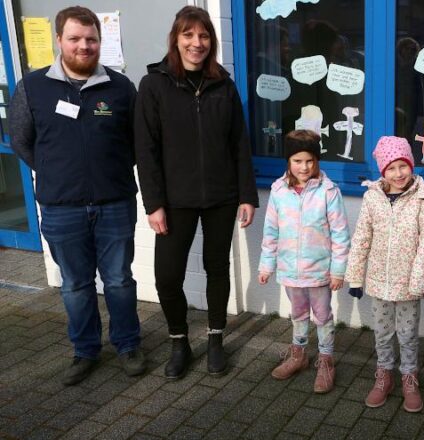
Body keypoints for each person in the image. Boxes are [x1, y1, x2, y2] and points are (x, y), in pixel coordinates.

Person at [8, 6, 144, 386]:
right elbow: (21, 140)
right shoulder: (33, 87)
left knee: (118, 279)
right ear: (59, 40)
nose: (84, 46)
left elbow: (135, 143)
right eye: (75, 38)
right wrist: (55, 170)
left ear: (100, 42)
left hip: (114, 202)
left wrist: (107, 171)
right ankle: (85, 351)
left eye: (91, 39)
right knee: (75, 284)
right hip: (60, 208)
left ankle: (128, 344)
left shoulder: (120, 87)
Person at [135, 6, 259, 380]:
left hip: (221, 196)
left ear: (211, 41)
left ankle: (217, 339)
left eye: (203, 36)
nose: (197, 43)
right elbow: (146, 149)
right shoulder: (154, 84)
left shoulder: (224, 83)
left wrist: (247, 195)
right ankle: (179, 341)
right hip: (174, 201)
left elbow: (239, 143)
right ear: (176, 38)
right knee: (167, 277)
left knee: (217, 269)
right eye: (189, 35)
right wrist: (154, 204)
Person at [344, 136, 424, 412]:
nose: (398, 174)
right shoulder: (372, 197)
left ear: (411, 164)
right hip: (378, 281)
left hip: (408, 282)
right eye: (391, 168)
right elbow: (362, 237)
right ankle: (384, 373)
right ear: (382, 171)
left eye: (403, 166)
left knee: (407, 333)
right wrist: (356, 277)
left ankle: (409, 376)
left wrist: (418, 280)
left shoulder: (423, 197)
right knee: (383, 332)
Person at [258, 130, 350, 394]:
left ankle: (326, 361)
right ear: (288, 161)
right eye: (297, 161)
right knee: (297, 313)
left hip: (320, 271)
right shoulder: (278, 191)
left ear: (316, 160)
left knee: (322, 316)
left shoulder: (328, 192)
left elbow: (341, 235)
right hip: (290, 270)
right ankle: (298, 355)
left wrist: (338, 271)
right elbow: (271, 232)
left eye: (309, 160)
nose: (304, 167)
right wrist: (266, 265)